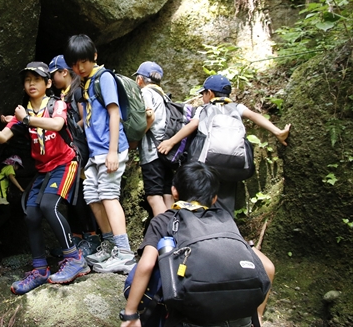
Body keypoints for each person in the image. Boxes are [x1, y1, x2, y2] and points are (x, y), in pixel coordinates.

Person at [0, 61, 90, 295]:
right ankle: (40, 269)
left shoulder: (56, 104)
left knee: (49, 205)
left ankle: (75, 258)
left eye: (36, 79)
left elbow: (57, 124)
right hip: (44, 168)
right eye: (27, 80)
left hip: (66, 162)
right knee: (31, 212)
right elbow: (2, 137)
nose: (31, 84)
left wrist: (26, 119)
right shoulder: (22, 112)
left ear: (48, 83)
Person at [120, 162, 275, 327]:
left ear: (174, 192)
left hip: (188, 311)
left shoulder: (164, 220)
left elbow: (147, 265)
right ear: (214, 198)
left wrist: (130, 313)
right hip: (231, 309)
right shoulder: (224, 221)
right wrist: (256, 316)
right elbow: (268, 267)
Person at [157, 74, 291, 214]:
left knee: (201, 195)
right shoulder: (236, 107)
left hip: (206, 163)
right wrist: (277, 132)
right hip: (235, 164)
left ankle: (200, 224)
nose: (203, 97)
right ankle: (226, 224)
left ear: (210, 93)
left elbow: (192, 126)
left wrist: (170, 142)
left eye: (203, 93)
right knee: (226, 198)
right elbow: (255, 116)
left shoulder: (204, 109)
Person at [64, 34, 135, 274]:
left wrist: (113, 151)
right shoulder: (86, 83)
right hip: (95, 153)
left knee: (108, 196)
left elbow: (114, 113)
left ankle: (125, 253)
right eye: (74, 64)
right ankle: (110, 245)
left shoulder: (104, 78)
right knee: (92, 197)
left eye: (83, 61)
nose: (79, 67)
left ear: (94, 56)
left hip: (110, 150)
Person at [49, 54, 101, 256]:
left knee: (81, 194)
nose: (52, 79)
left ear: (64, 72)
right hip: (69, 151)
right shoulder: (65, 94)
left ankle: (92, 236)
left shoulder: (77, 91)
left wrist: (66, 130)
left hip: (80, 150)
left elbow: (84, 119)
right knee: (71, 195)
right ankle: (76, 237)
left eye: (54, 74)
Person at [133, 61, 175, 217]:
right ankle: (174, 234)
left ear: (140, 80)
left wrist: (136, 136)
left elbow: (149, 115)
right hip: (167, 152)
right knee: (167, 194)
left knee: (153, 196)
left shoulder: (146, 93)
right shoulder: (164, 96)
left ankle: (166, 236)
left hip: (152, 152)